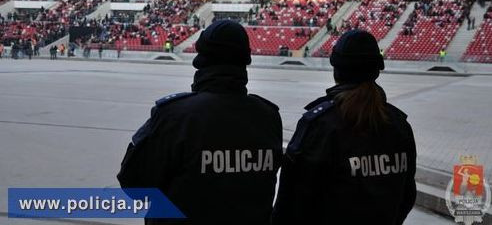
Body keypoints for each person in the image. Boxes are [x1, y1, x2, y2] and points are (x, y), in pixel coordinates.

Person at [117, 20, 283, 225]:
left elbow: (133, 184)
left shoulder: (175, 115)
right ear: (245, 61)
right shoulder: (268, 116)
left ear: (201, 61)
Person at [273, 30, 416, 225]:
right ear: (376, 70)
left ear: (336, 71)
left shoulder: (321, 125)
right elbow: (406, 196)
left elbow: (290, 203)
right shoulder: (399, 125)